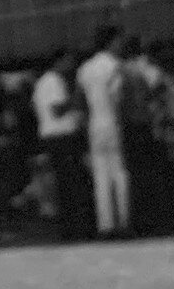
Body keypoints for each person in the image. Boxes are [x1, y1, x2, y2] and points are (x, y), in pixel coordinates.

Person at [78, 26, 131, 237]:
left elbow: (81, 100)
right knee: (119, 173)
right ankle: (123, 221)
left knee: (100, 175)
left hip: (94, 123)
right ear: (112, 42)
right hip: (112, 121)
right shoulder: (116, 66)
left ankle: (105, 225)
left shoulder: (85, 68)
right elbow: (119, 98)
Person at [31, 47, 89, 237]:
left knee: (65, 183)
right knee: (70, 183)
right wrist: (77, 99)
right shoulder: (53, 81)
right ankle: (74, 226)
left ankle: (71, 225)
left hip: (53, 137)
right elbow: (57, 109)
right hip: (60, 137)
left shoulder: (44, 82)